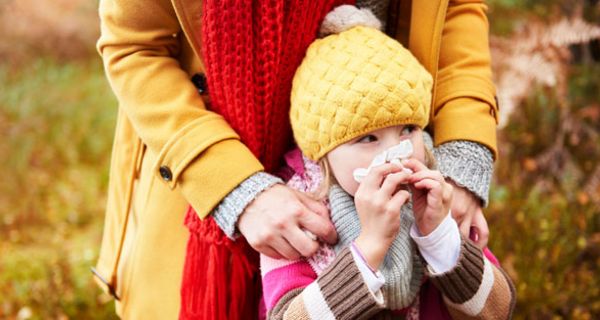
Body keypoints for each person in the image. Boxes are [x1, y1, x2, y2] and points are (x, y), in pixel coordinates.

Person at [93, 0, 499, 318]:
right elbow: (134, 45)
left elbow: (496, 308)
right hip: (208, 172)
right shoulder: (308, 243)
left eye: (403, 136)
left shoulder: (428, 205)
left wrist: (462, 153)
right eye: (376, 139)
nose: (392, 154)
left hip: (397, 93)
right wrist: (232, 187)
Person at [261, 7, 515, 319]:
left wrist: (440, 238)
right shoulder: (299, 217)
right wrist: (369, 247)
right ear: (322, 153)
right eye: (368, 139)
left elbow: (498, 309)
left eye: (408, 130)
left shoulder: (437, 199)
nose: (399, 152)